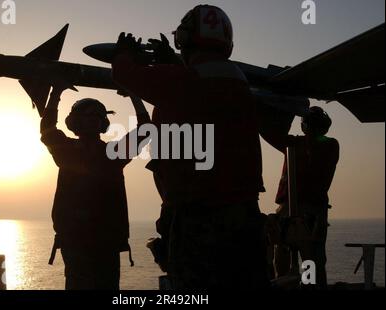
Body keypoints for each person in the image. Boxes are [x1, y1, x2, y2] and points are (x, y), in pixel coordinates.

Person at [112, 5, 269, 289]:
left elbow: (126, 75)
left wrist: (123, 54)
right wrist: (171, 61)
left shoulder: (185, 80)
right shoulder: (237, 82)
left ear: (183, 39)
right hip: (245, 214)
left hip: (199, 213)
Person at [40, 82, 150, 290]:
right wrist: (55, 93)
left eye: (95, 117)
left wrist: (135, 95)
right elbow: (47, 128)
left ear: (101, 123)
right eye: (87, 117)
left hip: (103, 240)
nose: (91, 122)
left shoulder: (109, 153)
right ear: (76, 122)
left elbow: (145, 130)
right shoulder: (69, 150)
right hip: (78, 240)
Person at [260, 106, 339, 289]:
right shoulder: (329, 145)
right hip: (310, 210)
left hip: (299, 210)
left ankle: (293, 284)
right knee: (310, 258)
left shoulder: (299, 144)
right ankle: (307, 285)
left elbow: (268, 132)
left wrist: (286, 112)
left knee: (293, 255)